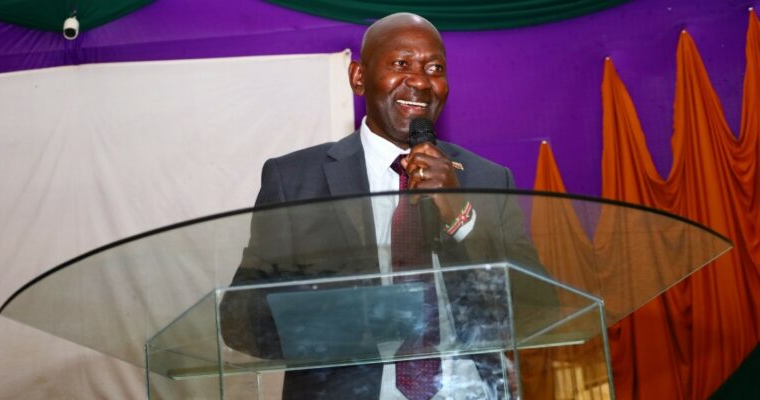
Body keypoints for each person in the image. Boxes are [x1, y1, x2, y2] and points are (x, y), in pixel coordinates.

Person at [220, 12, 552, 399]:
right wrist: (359, 320)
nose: (420, 81)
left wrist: (459, 213)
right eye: (400, 64)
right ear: (358, 78)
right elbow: (241, 320)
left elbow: (537, 306)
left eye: (434, 67)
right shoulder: (295, 180)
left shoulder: (488, 180)